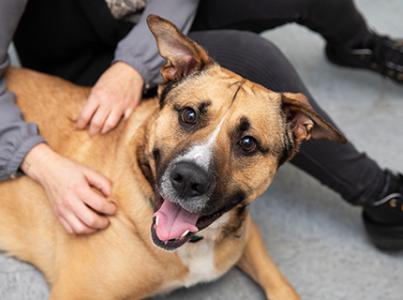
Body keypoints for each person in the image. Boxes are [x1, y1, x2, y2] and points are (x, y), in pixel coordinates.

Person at [0, 0, 402, 250]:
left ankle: (359, 45)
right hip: (78, 55)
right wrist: (38, 161)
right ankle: (382, 194)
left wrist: (134, 61)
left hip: (159, 16)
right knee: (256, 60)